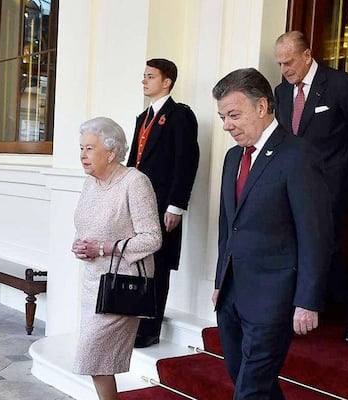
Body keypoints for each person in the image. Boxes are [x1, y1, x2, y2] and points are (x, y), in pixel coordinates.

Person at [211, 68, 333, 399]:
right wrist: (221, 281)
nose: (227, 126)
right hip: (233, 295)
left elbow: (315, 234)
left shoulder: (298, 155)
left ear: (262, 106)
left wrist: (308, 300)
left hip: (274, 298)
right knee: (248, 382)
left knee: (250, 390)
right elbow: (228, 225)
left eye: (234, 115)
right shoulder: (233, 157)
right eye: (223, 117)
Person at [273, 30, 348, 344]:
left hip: (330, 189)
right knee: (292, 249)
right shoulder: (280, 91)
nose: (285, 69)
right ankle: (297, 314)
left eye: (289, 62)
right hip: (291, 188)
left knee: (325, 252)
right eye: (280, 64)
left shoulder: (340, 85)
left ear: (307, 55)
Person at [71, 117, 162, 399]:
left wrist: (104, 247)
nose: (83, 155)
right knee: (97, 362)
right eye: (82, 148)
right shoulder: (91, 185)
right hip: (92, 283)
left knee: (94, 357)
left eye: (89, 148)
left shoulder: (134, 182)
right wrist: (80, 245)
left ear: (110, 153)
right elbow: (87, 228)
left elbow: (152, 238)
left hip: (122, 285)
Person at [127, 58, 200, 348]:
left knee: (158, 265)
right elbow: (134, 162)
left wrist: (176, 206)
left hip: (163, 204)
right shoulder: (143, 117)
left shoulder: (179, 115)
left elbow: (186, 162)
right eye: (143, 76)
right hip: (139, 203)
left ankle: (150, 329)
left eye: (150, 76)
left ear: (166, 81)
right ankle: (136, 322)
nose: (144, 81)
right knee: (139, 264)